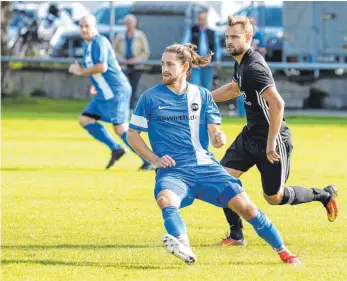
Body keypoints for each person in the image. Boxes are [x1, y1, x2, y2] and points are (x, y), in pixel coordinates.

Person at [127, 42, 301, 265]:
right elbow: (132, 134)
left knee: (248, 208)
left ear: (185, 66)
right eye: (162, 64)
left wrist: (218, 137)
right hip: (174, 171)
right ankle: (183, 246)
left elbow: (214, 132)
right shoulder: (150, 98)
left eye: (170, 64)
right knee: (165, 200)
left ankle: (284, 253)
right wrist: (154, 159)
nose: (164, 69)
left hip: (206, 168)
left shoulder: (201, 95)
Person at [212, 16, 338, 246]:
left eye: (235, 37)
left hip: (273, 138)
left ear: (248, 37)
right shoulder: (240, 62)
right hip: (250, 135)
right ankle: (236, 236)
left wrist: (271, 142)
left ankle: (324, 195)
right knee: (221, 180)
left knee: (273, 197)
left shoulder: (254, 67)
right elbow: (234, 89)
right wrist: (205, 98)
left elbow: (277, 103)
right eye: (227, 37)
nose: (229, 42)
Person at [68, 14, 155, 171]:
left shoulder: (99, 42)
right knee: (85, 119)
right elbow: (97, 71)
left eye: (87, 26)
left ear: (95, 27)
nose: (83, 29)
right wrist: (95, 84)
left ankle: (149, 160)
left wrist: (80, 72)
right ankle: (116, 148)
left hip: (116, 91)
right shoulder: (87, 44)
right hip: (104, 92)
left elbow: (102, 67)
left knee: (121, 128)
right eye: (81, 26)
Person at [113, 14, 150, 109]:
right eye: (127, 23)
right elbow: (113, 51)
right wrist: (121, 59)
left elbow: (146, 52)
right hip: (123, 66)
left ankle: (131, 108)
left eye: (131, 23)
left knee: (133, 88)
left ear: (135, 24)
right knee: (124, 87)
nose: (129, 25)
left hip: (136, 66)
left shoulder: (140, 35)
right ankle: (122, 107)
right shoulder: (120, 36)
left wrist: (135, 60)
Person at [182, 10, 221, 90]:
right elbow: (184, 44)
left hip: (209, 63)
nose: (202, 21)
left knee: (207, 86)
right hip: (195, 63)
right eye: (200, 18)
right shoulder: (192, 31)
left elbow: (217, 47)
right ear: (197, 19)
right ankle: (196, 102)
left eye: (204, 19)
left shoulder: (212, 32)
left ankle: (205, 102)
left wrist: (218, 60)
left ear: (206, 19)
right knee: (195, 85)